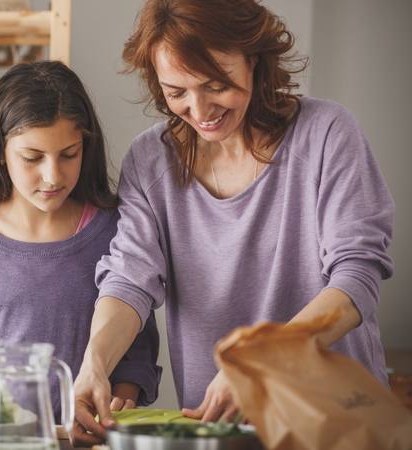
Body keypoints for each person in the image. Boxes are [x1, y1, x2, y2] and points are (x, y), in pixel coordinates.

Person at [70, 0, 394, 446]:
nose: (199, 109)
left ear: (255, 62)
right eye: (176, 91)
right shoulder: (149, 161)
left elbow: (357, 277)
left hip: (340, 424)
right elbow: (129, 280)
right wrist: (95, 363)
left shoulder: (327, 133)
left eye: (215, 85)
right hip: (219, 430)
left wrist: (261, 363)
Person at [0, 60, 162, 421]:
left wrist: (121, 399)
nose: (52, 176)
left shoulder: (116, 231)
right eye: (32, 158)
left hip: (86, 437)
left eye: (69, 155)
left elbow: (136, 340)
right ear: (0, 150)